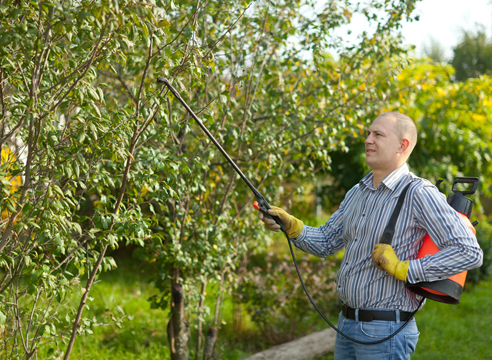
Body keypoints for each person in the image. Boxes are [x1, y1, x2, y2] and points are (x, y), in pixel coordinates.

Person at [258, 111, 483, 360]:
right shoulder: (358, 191)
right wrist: (293, 227)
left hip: (385, 331)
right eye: (368, 133)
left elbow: (469, 251)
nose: (368, 140)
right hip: (347, 325)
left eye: (378, 134)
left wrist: (404, 268)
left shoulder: (419, 192)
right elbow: (326, 242)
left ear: (402, 145)